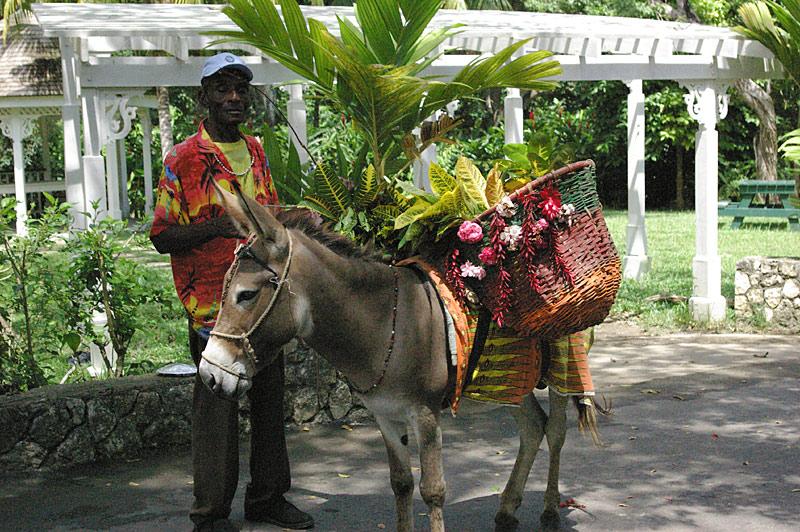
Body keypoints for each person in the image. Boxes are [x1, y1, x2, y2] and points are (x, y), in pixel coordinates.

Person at [150, 52, 314, 532]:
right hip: (214, 311)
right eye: (223, 89)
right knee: (216, 413)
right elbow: (161, 235)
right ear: (205, 98)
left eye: (241, 89)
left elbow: (268, 218)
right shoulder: (183, 159)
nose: (234, 97)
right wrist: (216, 227)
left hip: (264, 302)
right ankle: (210, 515)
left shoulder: (256, 151)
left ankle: (267, 499)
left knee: (269, 406)